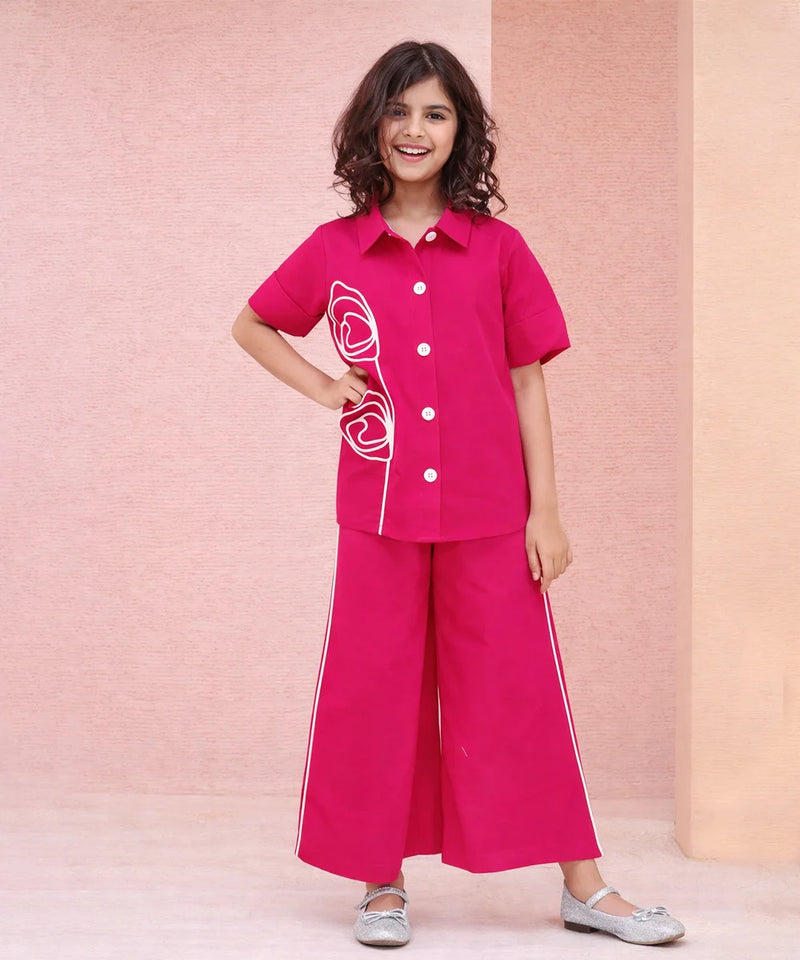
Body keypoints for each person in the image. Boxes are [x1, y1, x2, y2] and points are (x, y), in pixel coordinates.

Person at [231, 40, 685, 948]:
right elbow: (254, 324)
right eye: (398, 112)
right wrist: (324, 387)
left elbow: (527, 382)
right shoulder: (335, 250)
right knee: (376, 690)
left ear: (460, 132)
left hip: (491, 510)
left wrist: (546, 511)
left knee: (520, 690)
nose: (414, 130)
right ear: (373, 125)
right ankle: (380, 884)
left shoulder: (500, 249)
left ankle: (583, 886)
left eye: (435, 113)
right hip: (381, 509)